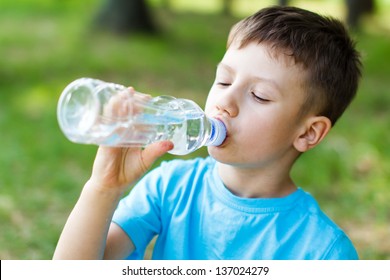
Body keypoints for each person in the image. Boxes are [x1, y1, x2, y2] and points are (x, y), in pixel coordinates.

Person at [53, 5, 362, 260]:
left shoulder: (323, 252)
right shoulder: (170, 187)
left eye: (260, 96)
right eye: (224, 81)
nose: (225, 102)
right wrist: (103, 188)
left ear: (308, 133)